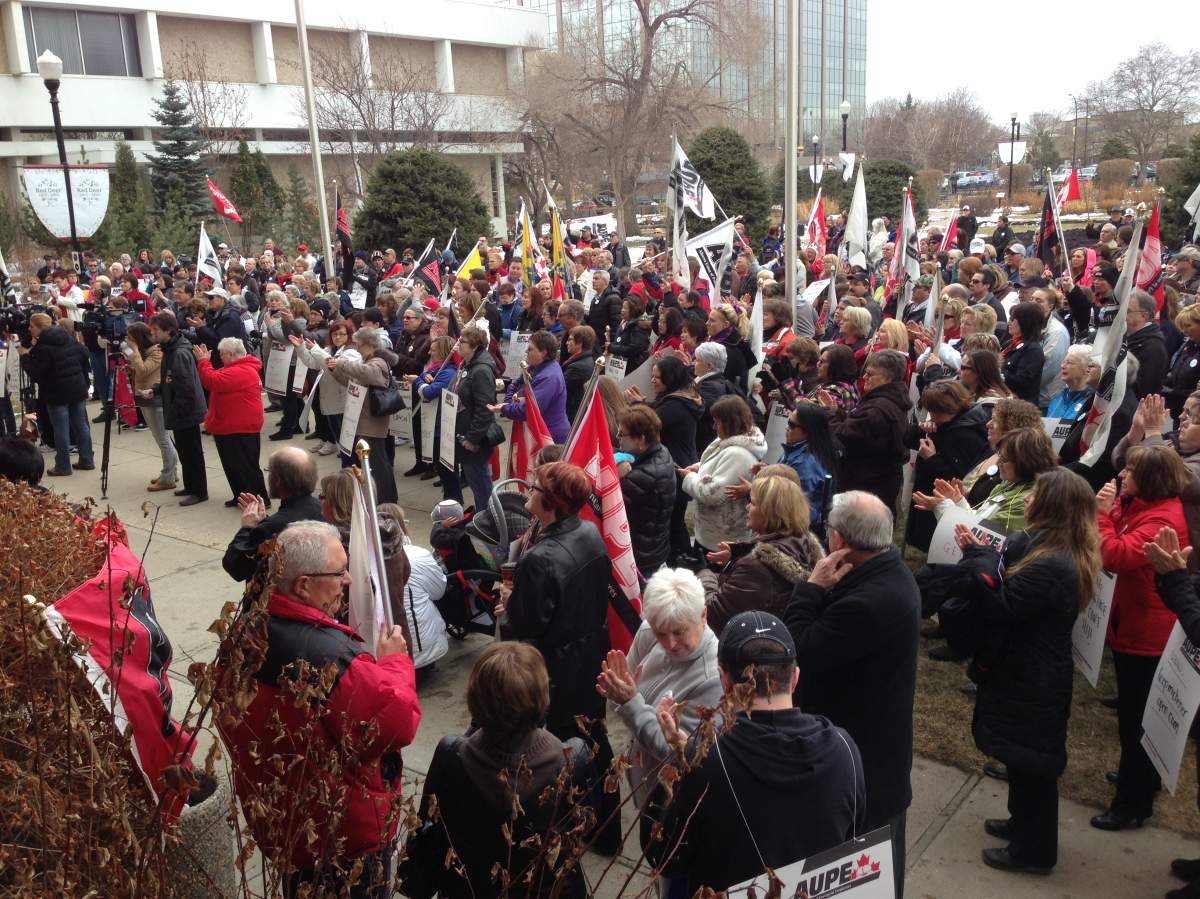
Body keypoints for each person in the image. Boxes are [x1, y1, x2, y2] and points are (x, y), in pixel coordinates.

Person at [216, 521, 420, 897]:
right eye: (339, 571)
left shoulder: (242, 632)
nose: (348, 579)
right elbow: (396, 722)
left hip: (282, 822)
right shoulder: (334, 658)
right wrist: (393, 664)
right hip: (343, 835)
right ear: (303, 585)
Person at [650, 610, 865, 894]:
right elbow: (853, 835)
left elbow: (663, 852)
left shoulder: (705, 760)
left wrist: (685, 755)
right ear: (796, 677)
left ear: (724, 681)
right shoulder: (844, 748)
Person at [951, 468, 1102, 874]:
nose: (1029, 499)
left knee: (1034, 764)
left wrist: (979, 559)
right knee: (1022, 757)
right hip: (1028, 667)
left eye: (1037, 494)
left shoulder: (1052, 563)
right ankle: (1022, 825)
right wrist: (984, 555)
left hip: (1033, 674)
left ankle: (1033, 852)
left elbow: (1003, 605)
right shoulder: (1050, 549)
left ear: (1052, 506)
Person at [784, 491, 920, 897]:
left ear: (839, 541)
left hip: (863, 765)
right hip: (874, 751)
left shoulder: (867, 602)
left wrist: (810, 588)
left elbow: (796, 649)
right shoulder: (889, 572)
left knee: (861, 874)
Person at [496, 461, 620, 853]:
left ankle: (572, 824)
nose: (527, 491)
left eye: (533, 487)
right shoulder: (589, 533)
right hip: (589, 656)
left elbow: (526, 626)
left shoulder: (541, 558)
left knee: (563, 751)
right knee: (594, 737)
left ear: (549, 503)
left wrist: (510, 604)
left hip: (556, 668)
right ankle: (608, 829)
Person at [402, 643, 592, 898]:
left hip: (467, 889)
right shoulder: (572, 757)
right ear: (542, 700)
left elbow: (430, 835)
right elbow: (581, 831)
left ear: (475, 700)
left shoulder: (451, 754)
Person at [1093, 445, 1190, 831]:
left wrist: (1101, 517)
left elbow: (1116, 554)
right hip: (1132, 625)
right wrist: (1113, 510)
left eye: (1131, 471)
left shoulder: (1162, 521)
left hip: (1147, 635)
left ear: (1149, 479)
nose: (1122, 476)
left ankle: (1132, 804)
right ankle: (1137, 779)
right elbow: (1121, 526)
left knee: (1138, 721)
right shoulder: (1143, 506)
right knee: (1134, 717)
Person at [595, 567, 721, 840]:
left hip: (669, 797)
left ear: (703, 615)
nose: (669, 644)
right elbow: (629, 679)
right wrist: (618, 689)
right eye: (661, 634)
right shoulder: (651, 630)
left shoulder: (713, 678)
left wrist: (629, 702)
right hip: (643, 772)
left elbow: (683, 753)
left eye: (679, 632)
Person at [701, 474, 825, 633]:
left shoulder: (757, 568)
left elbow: (712, 615)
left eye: (752, 502)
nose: (747, 507)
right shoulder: (802, 541)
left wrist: (705, 574)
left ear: (770, 511)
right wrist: (739, 552)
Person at [816, 349, 912, 512]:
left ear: (888, 378)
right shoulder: (886, 401)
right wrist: (835, 411)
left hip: (865, 491)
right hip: (875, 485)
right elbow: (859, 425)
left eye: (870, 374)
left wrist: (827, 415)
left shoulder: (878, 409)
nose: (864, 377)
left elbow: (844, 435)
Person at [1114, 393, 1200, 571]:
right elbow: (1122, 464)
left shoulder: (1161, 444)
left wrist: (1153, 432)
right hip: (1138, 532)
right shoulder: (1168, 442)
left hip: (1179, 563)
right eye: (1183, 411)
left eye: (1191, 415)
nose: (1181, 417)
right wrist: (1136, 432)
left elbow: (1177, 480)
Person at [905, 380, 991, 551]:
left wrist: (931, 458)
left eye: (933, 411)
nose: (931, 414)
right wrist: (923, 429)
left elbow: (960, 477)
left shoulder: (966, 433)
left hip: (944, 502)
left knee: (937, 549)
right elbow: (907, 438)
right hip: (934, 497)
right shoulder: (947, 423)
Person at [680, 395, 768, 555]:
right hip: (714, 532)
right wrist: (699, 468)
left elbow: (712, 494)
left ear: (730, 423)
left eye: (717, 422)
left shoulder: (738, 454)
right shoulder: (730, 440)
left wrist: (688, 478)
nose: (714, 427)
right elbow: (719, 465)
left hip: (721, 539)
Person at [222, 446, 323, 582]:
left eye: (269, 472)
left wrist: (247, 527)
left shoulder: (273, 526)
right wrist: (264, 521)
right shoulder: (322, 508)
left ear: (277, 480)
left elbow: (235, 566)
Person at [325, 328, 400, 504]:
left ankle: (386, 500)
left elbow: (367, 373)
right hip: (365, 418)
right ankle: (379, 496)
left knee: (378, 463)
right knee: (373, 462)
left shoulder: (378, 362)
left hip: (372, 421)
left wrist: (341, 364)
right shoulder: (368, 360)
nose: (356, 347)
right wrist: (334, 370)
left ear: (367, 344)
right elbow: (353, 381)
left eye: (358, 344)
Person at [17, 312, 94, 477]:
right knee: (81, 425)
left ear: (39, 328)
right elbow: (84, 353)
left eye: (32, 326)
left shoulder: (43, 347)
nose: (29, 329)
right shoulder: (66, 337)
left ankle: (63, 465)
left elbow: (36, 373)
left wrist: (24, 356)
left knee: (61, 428)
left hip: (56, 391)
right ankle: (87, 459)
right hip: (76, 387)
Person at [195, 337, 269, 507]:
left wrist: (203, 362)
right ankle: (241, 496)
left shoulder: (242, 370)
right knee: (233, 466)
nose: (220, 357)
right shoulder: (237, 368)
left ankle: (260, 499)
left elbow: (212, 380)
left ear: (231, 354)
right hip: (231, 425)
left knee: (247, 466)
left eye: (221, 354)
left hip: (240, 426)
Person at [149, 312, 207, 504]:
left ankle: (199, 491)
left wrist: (175, 410)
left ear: (169, 330)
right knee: (184, 451)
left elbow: (185, 387)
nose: (153, 333)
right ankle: (190, 486)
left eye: (156, 330)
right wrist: (157, 390)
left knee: (192, 453)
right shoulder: (170, 349)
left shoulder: (179, 353)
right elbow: (171, 381)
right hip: (179, 409)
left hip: (186, 410)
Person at [617, 405, 676, 576]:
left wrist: (616, 477)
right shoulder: (661, 452)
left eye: (622, 434)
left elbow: (610, 507)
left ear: (640, 439)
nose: (617, 437)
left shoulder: (641, 477)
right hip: (654, 550)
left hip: (639, 559)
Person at [123, 321, 179, 491]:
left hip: (154, 398)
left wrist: (133, 352)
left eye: (131, 338)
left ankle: (168, 476)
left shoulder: (156, 352)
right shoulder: (144, 351)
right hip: (144, 396)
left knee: (163, 439)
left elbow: (143, 370)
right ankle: (170, 471)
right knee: (161, 438)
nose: (128, 340)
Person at [294, 320, 361, 458]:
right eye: (334, 334)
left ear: (349, 336)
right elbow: (312, 362)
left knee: (346, 436)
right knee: (337, 434)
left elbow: (331, 364)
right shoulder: (329, 349)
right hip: (330, 399)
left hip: (343, 401)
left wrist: (315, 350)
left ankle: (352, 463)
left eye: (342, 334)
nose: (337, 337)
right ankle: (346, 457)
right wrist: (300, 347)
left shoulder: (352, 352)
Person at [453, 326, 500, 510]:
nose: (458, 344)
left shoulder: (481, 371)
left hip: (475, 438)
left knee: (481, 483)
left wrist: (472, 439)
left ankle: (489, 519)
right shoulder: (467, 364)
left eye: (462, 342)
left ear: (474, 346)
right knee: (475, 480)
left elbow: (485, 409)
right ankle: (484, 514)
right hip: (464, 431)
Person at [495, 330, 570, 444]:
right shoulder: (535, 366)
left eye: (530, 349)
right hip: (540, 432)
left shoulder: (549, 377)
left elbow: (528, 411)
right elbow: (515, 384)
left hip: (550, 437)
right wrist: (510, 402)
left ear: (543, 353)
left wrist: (504, 408)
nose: (526, 351)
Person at [1123, 289, 1169, 400]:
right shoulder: (1125, 337)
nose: (1122, 315)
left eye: (1127, 311)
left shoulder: (1153, 347)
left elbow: (1146, 390)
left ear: (1144, 316)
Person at [692, 342, 736, 453]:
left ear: (709, 366)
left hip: (702, 445)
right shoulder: (712, 382)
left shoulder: (710, 388)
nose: (694, 363)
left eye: (697, 360)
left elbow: (697, 413)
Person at [999, 302, 1046, 405]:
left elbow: (1022, 382)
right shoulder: (1009, 343)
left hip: (1020, 407)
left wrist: (998, 371)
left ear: (1025, 322)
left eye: (1012, 319)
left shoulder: (1033, 350)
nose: (1009, 323)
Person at [1165, 305, 1200, 421]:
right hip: (1179, 413)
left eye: (1188, 326)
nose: (1184, 331)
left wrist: (1172, 393)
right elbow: (1177, 374)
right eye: (1183, 326)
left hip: (1194, 417)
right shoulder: (1188, 346)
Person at [1047, 345, 1095, 422]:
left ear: (1087, 368)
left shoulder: (1092, 403)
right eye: (1063, 362)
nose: (1063, 366)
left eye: (1069, 363)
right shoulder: (1056, 399)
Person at [562, 325, 596, 422]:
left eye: (570, 340)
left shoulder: (578, 367)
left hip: (571, 416)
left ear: (580, 343)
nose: (567, 343)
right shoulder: (585, 360)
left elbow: (558, 387)